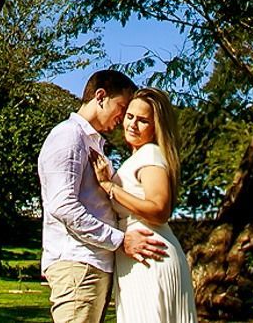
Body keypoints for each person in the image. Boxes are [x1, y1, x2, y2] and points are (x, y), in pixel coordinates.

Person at [38, 70, 169, 323]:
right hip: (77, 263)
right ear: (100, 97)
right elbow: (62, 205)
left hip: (92, 264)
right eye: (121, 107)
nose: (122, 119)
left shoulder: (92, 142)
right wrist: (120, 241)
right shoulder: (68, 135)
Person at [93, 87, 197, 323]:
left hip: (151, 254)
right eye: (129, 117)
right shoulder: (138, 157)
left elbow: (160, 210)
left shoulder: (150, 154)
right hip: (139, 255)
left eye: (142, 121)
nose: (132, 125)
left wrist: (110, 187)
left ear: (156, 126)